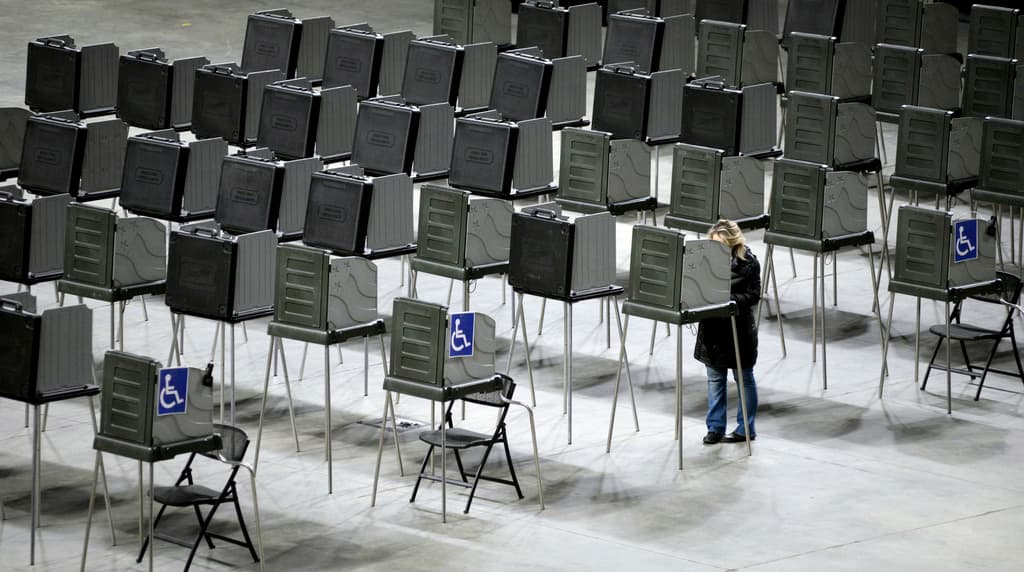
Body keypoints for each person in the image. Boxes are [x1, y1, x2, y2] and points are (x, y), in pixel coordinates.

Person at [696, 219, 760, 445]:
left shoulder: (749, 262)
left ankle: (746, 429)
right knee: (715, 379)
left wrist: (730, 300)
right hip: (713, 329)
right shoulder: (704, 261)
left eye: (722, 245)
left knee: (744, 379)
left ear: (733, 243)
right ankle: (715, 428)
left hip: (739, 328)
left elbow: (754, 295)